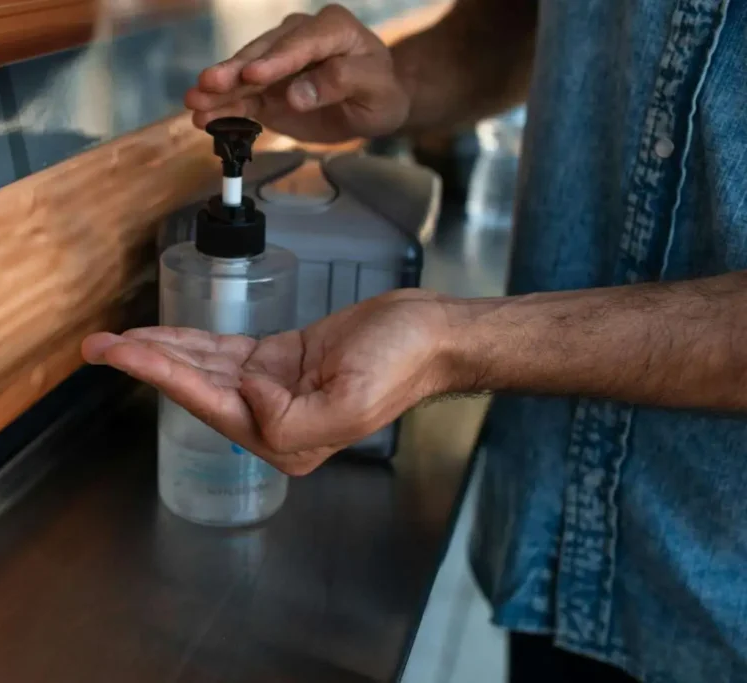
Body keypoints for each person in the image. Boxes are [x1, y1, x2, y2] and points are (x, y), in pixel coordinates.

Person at [82, 1, 747, 681]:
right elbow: (518, 22)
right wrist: (400, 84)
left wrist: (451, 342)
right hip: (554, 557)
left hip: (716, 604)